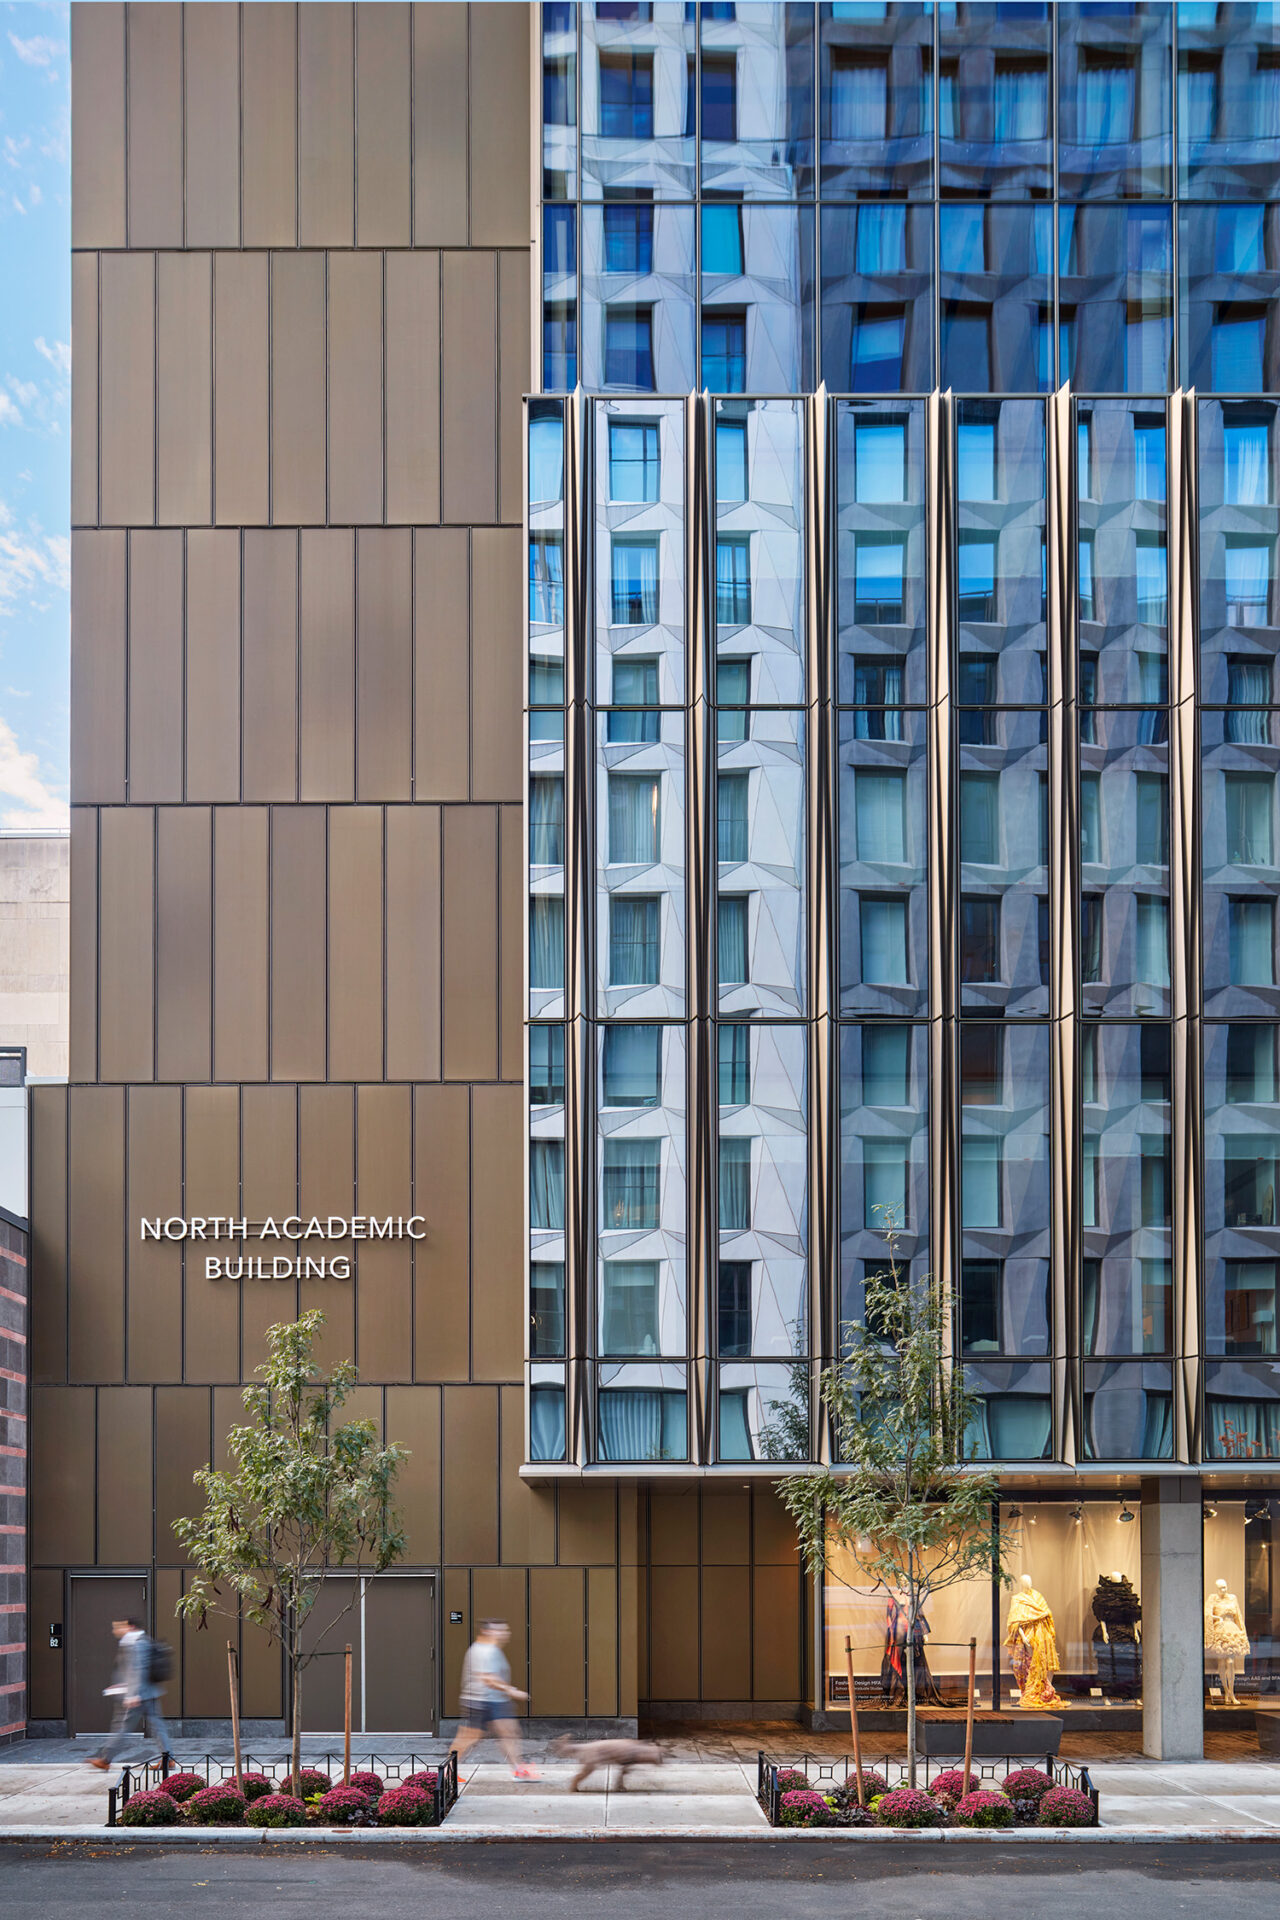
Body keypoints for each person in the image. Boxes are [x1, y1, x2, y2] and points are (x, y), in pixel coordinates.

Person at [449, 1619, 539, 1779]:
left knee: (510, 1732)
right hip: (480, 1701)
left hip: (495, 1700)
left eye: (505, 1630)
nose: (505, 1633)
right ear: (487, 1631)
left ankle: (518, 1768)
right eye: (500, 1630)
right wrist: (512, 1691)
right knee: (470, 1737)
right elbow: (487, 1678)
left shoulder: (491, 1649)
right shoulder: (484, 1651)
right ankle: (449, 1772)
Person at [85, 1616, 172, 1772]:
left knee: (123, 1727)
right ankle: (168, 1759)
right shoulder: (141, 1640)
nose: (116, 1630)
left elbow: (138, 1669)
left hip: (139, 1695)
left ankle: (106, 1759)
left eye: (119, 1626)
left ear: (130, 1627)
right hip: (148, 1692)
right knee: (157, 1727)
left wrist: (133, 1694)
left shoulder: (136, 1643)